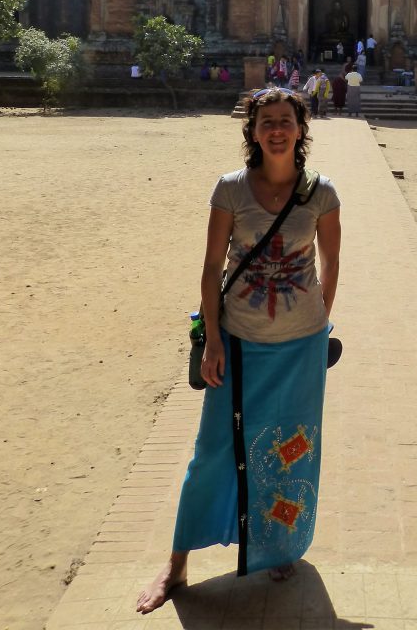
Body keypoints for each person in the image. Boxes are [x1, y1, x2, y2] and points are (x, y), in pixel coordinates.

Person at [136, 87, 341, 611]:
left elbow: (330, 264)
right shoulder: (230, 189)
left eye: (286, 121)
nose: (277, 129)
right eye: (266, 121)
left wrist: (318, 322)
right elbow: (211, 268)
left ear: (301, 129)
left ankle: (278, 546)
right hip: (241, 345)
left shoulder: (322, 193)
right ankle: (177, 563)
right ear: (252, 131)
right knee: (213, 452)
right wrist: (213, 339)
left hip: (300, 349)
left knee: (289, 449)